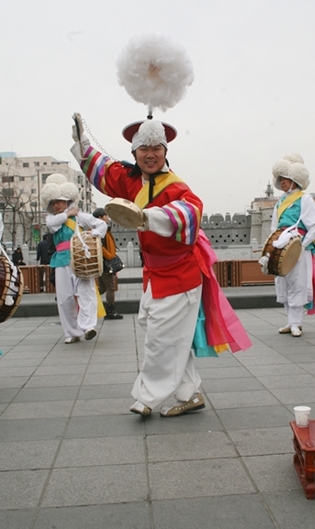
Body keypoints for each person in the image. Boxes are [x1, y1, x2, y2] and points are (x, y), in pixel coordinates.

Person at [70, 113, 251, 417]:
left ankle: (147, 397)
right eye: (144, 148)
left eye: (157, 148)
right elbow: (104, 171)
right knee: (166, 333)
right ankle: (189, 392)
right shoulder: (132, 180)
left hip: (181, 273)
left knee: (159, 338)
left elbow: (188, 213)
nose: (150, 154)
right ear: (134, 152)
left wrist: (145, 218)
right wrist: (82, 142)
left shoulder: (176, 186)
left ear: (166, 152)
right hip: (155, 273)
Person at [269, 153, 315, 337]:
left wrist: (302, 246)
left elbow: (314, 225)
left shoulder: (304, 199)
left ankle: (296, 323)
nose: (282, 183)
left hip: (298, 246)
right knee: (283, 282)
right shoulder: (280, 202)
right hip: (282, 244)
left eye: (286, 179)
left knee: (298, 283)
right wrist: (274, 243)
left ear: (294, 180)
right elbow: (274, 226)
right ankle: (290, 321)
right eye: (281, 179)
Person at [40, 173, 107, 344]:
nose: (56, 205)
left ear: (67, 201)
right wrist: (68, 213)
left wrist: (93, 234)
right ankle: (71, 332)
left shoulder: (80, 217)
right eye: (54, 202)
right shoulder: (52, 218)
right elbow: (52, 224)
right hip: (61, 261)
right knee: (65, 299)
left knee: (86, 293)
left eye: (59, 202)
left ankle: (89, 326)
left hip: (81, 259)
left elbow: (101, 224)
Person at [93, 207, 123, 320]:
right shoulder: (100, 229)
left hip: (102, 261)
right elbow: (99, 245)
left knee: (102, 288)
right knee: (110, 286)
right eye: (105, 215)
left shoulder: (102, 228)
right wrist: (109, 256)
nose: (107, 217)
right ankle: (111, 311)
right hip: (105, 262)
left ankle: (86, 304)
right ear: (100, 218)